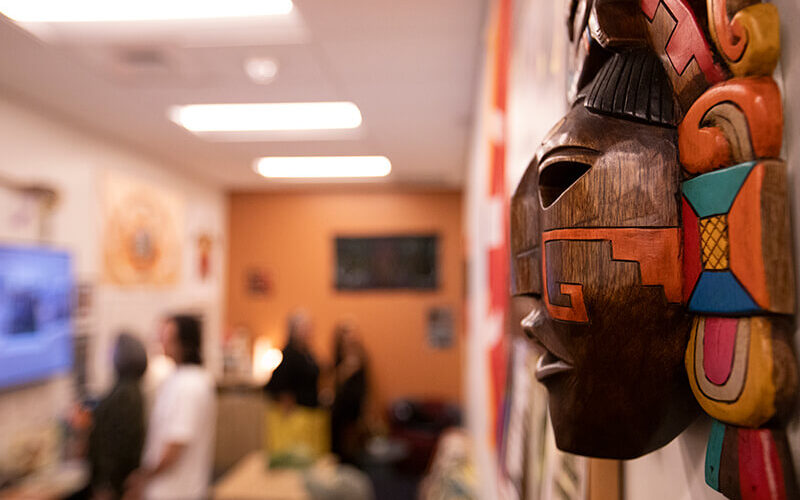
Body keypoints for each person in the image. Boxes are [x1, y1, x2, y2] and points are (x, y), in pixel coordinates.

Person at [126, 315, 216, 500]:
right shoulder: (178, 378)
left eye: (166, 336)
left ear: (184, 343)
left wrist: (144, 477)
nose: (161, 341)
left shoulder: (189, 385)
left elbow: (175, 445)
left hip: (176, 491)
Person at [88, 333, 147, 500]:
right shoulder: (132, 389)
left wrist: (106, 483)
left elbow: (117, 442)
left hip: (114, 482)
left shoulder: (125, 394)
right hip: (118, 478)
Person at [265, 311, 320, 410]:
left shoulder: (308, 354)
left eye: (309, 328)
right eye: (303, 328)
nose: (307, 332)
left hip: (309, 411)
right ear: (293, 331)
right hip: (297, 414)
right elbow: (277, 384)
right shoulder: (289, 354)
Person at [330, 322, 368, 464]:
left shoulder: (362, 356)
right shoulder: (338, 357)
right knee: (340, 449)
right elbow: (332, 383)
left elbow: (365, 387)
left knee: (355, 449)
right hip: (340, 410)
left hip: (355, 410)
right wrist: (345, 370)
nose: (350, 337)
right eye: (346, 333)